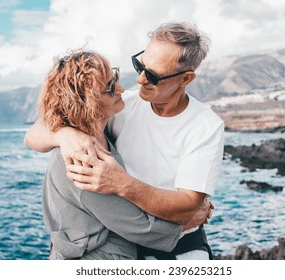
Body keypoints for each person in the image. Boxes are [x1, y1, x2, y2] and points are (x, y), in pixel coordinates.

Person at [25, 22, 224, 260]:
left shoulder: (205, 127)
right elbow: (34, 134)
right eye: (139, 65)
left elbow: (187, 204)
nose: (140, 80)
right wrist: (64, 134)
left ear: (185, 79)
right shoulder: (122, 105)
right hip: (120, 248)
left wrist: (122, 183)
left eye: (152, 75)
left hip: (178, 250)